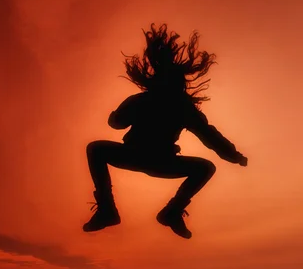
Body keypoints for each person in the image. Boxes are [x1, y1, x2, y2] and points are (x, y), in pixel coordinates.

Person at [83, 23, 248, 239]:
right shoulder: (172, 104)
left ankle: (170, 211)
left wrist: (233, 155)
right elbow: (209, 136)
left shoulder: (168, 104)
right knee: (205, 167)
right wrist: (233, 156)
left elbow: (117, 123)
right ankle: (109, 210)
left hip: (150, 159)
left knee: (96, 149)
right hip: (149, 159)